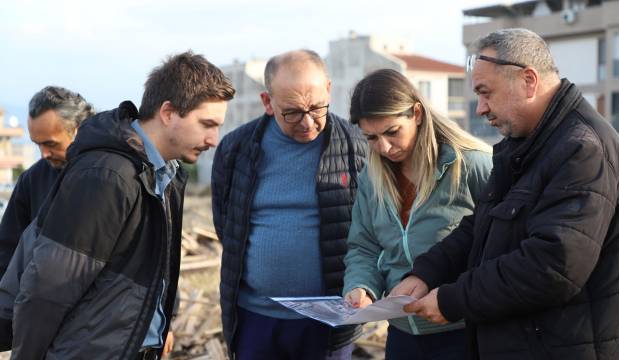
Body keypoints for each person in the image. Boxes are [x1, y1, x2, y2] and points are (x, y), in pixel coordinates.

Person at [390, 28, 619, 359]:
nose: (480, 108)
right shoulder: (525, 144)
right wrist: (427, 272)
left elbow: (553, 265)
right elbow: (481, 226)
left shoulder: (582, 149)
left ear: (528, 81)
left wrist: (453, 300)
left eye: (486, 92)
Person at [5, 51, 235, 359]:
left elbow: (156, 267)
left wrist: (162, 324)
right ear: (167, 112)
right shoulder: (107, 176)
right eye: (207, 123)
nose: (214, 139)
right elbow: (48, 289)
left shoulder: (167, 174)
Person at [211, 49, 367, 360]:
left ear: (329, 90)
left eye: (317, 107)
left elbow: (372, 230)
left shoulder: (357, 146)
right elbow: (226, 225)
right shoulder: (236, 149)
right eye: (292, 112)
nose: (308, 122)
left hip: (329, 320)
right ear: (267, 103)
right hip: (255, 318)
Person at [342, 69, 492, 360]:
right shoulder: (370, 179)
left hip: (464, 329)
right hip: (402, 334)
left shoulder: (473, 164)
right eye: (371, 138)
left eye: (392, 132)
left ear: (418, 114)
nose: (383, 147)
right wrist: (360, 286)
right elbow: (363, 245)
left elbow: (502, 238)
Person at [0, 86, 94, 279]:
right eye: (37, 144)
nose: (43, 154)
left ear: (78, 130)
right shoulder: (31, 180)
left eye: (51, 144)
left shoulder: (113, 175)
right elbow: (7, 253)